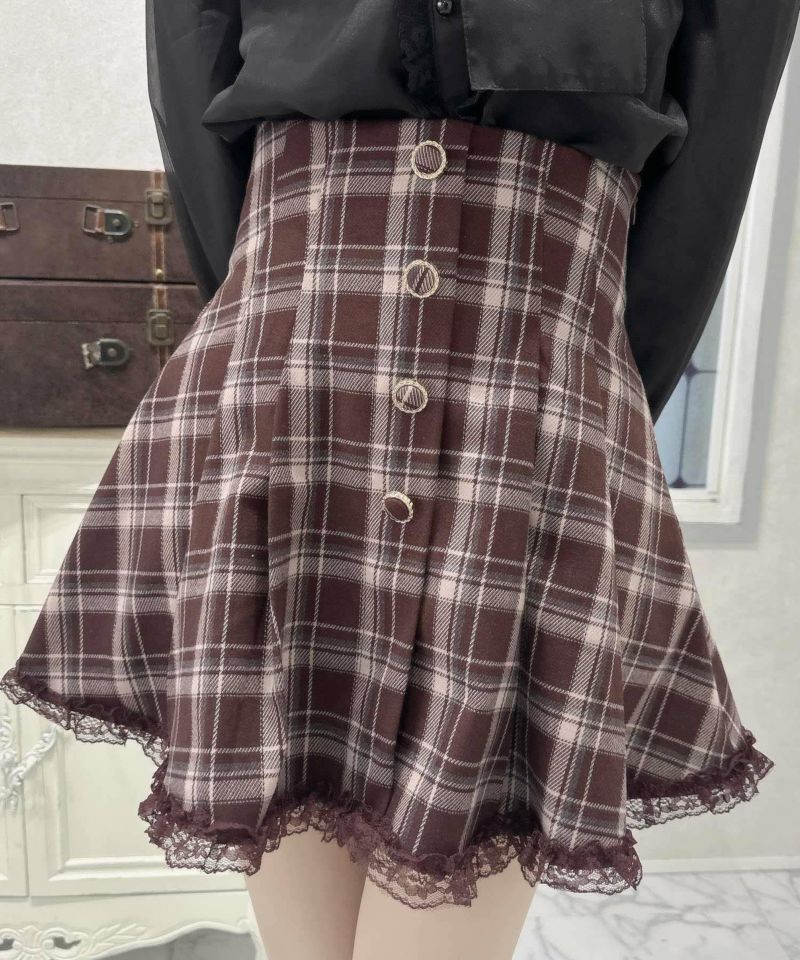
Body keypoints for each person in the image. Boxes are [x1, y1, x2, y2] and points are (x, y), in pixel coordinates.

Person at [2, 3, 797, 959]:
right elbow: (191, 67)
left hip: (529, 372)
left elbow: (713, 152)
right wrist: (267, 328)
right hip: (298, 367)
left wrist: (590, 390)